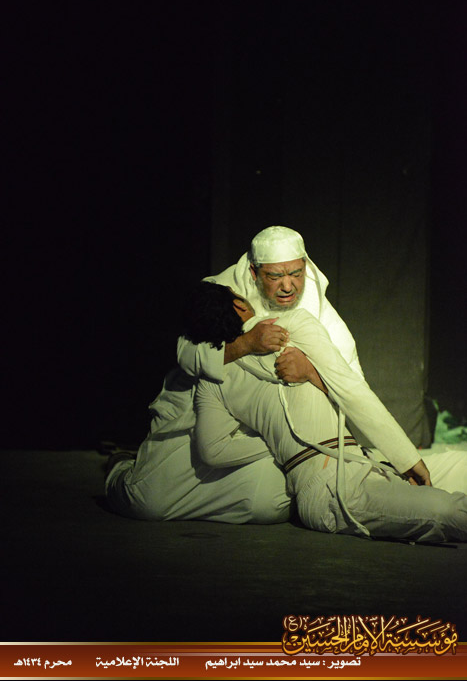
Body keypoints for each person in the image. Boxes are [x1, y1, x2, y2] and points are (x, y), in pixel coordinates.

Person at [105, 226, 379, 523]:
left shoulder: (321, 311)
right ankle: (121, 465)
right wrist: (246, 344)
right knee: (147, 501)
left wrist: (311, 373)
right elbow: (186, 353)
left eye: (295, 274)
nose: (288, 286)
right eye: (275, 276)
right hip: (201, 413)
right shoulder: (224, 290)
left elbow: (352, 387)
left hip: (266, 427)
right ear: (254, 271)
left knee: (271, 504)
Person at [187, 282, 467, 542]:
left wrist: (283, 442)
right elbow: (350, 389)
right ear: (239, 304)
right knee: (452, 511)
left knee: (457, 470)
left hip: (347, 472)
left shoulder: (212, 379)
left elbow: (213, 450)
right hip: (336, 486)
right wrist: (408, 458)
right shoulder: (291, 324)